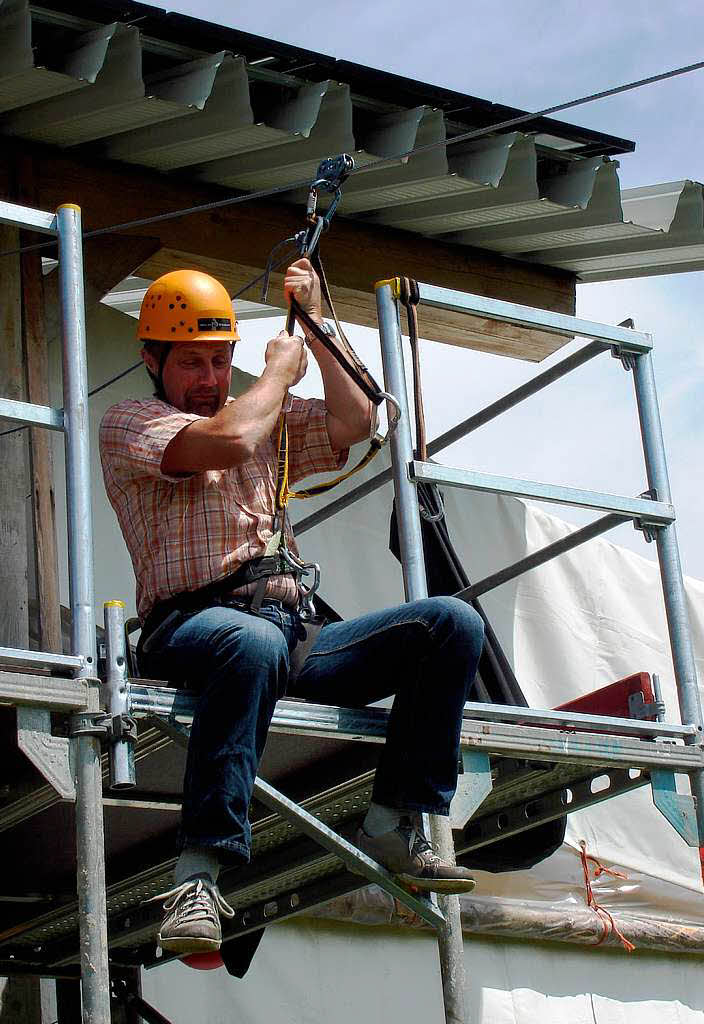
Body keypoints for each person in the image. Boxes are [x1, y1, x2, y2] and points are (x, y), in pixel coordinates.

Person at [99, 260, 484, 955]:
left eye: (221, 361)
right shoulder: (133, 422)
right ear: (152, 360)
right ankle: (199, 874)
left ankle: (395, 818)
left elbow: (359, 419)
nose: (211, 378)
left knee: (451, 624)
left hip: (288, 627)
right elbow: (230, 440)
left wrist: (313, 322)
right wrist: (275, 373)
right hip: (191, 626)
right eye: (193, 363)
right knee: (250, 643)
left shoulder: (264, 416)